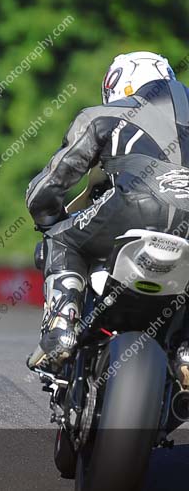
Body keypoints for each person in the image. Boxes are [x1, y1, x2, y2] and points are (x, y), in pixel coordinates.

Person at [26, 51, 189, 373]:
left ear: (119, 85)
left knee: (60, 240)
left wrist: (49, 218)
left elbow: (49, 186)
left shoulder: (103, 114)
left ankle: (62, 325)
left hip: (134, 204)